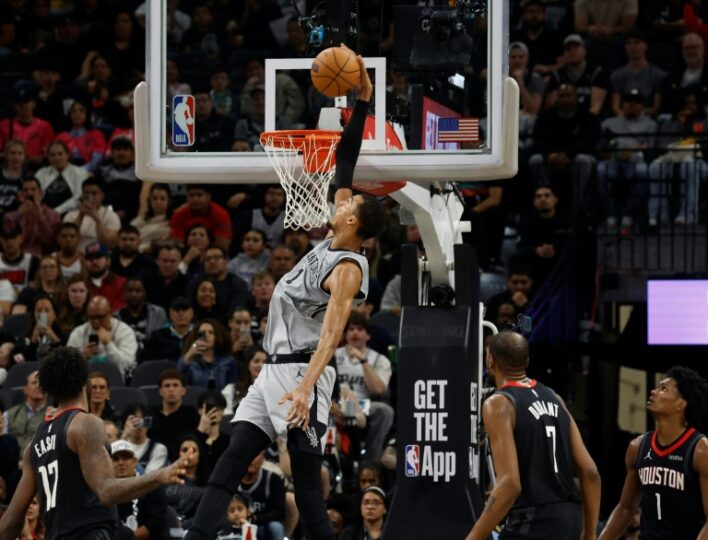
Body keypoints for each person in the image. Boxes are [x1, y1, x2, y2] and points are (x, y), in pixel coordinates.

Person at [185, 49, 386, 540]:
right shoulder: (335, 233)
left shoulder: (347, 269)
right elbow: (345, 158)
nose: (340, 198)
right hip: (272, 370)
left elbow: (332, 336)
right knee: (229, 463)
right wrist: (363, 99)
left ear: (353, 220)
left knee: (309, 486)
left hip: (301, 374)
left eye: (349, 202)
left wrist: (305, 389)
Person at [0, 347, 187, 540]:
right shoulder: (85, 424)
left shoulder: (34, 444)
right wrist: (158, 476)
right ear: (85, 382)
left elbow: (11, 521)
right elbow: (106, 491)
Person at [464, 331, 601, 540]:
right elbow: (590, 472)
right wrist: (590, 534)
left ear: (490, 361)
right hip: (570, 520)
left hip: (534, 520)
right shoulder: (555, 398)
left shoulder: (498, 404)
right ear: (527, 360)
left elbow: (510, 484)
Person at [599, 366, 708, 540]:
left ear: (680, 404)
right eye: (657, 387)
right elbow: (626, 508)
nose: (653, 392)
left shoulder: (700, 449)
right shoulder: (637, 446)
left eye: (663, 389)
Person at [334, 312, 394, 462]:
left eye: (360, 329)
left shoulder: (379, 359)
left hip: (362, 405)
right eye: (351, 329)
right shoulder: (333, 355)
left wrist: (363, 361)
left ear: (368, 335)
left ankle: (370, 463)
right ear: (345, 334)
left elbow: (378, 390)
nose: (355, 333)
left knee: (384, 411)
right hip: (335, 404)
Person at [66, 295, 138, 378]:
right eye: (92, 317)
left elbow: (127, 366)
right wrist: (82, 356)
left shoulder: (125, 331)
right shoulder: (79, 332)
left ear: (110, 313)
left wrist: (108, 344)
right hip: (86, 380)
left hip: (116, 380)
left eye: (100, 317)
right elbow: (67, 364)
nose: (96, 322)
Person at [111, 439, 169, 540]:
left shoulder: (151, 487)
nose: (120, 462)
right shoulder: (102, 493)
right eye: (115, 459)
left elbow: (156, 524)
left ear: (135, 461)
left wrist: (129, 538)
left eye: (125, 457)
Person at [149, 369, 201, 459]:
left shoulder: (192, 414)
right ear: (160, 391)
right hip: (153, 459)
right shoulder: (150, 413)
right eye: (167, 386)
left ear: (183, 391)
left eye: (175, 385)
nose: (171, 389)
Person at [4, 177, 61, 257]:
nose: (29, 193)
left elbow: (50, 243)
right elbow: (8, 240)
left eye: (33, 189)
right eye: (25, 190)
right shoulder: (10, 216)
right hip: (15, 257)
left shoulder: (53, 215)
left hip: (42, 258)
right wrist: (19, 215)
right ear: (20, 195)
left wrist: (40, 217)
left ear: (41, 193)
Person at [238, 452, 286, 540]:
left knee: (276, 527)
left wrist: (255, 519)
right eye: (248, 454)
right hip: (236, 524)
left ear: (263, 459)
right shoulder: (230, 478)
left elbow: (280, 513)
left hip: (264, 525)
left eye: (256, 454)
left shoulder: (273, 479)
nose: (251, 459)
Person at [178, 319, 237, 391]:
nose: (206, 335)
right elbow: (179, 379)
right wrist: (190, 353)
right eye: (202, 333)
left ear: (217, 336)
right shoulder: (190, 361)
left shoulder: (228, 361)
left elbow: (232, 386)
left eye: (211, 332)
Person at [63, 177, 121, 249]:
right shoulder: (70, 215)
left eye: (94, 193)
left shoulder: (112, 216)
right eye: (86, 193)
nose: (90, 196)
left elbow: (109, 244)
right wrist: (80, 216)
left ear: (102, 196)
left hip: (101, 253)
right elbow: (65, 240)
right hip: (76, 252)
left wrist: (97, 220)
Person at [4, 371, 47, 451]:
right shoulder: (9, 414)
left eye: (42, 384)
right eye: (34, 383)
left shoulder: (53, 415)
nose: (38, 386)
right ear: (25, 389)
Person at [120, 403, 169, 474]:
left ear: (149, 423)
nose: (138, 424)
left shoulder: (158, 449)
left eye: (143, 420)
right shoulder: (118, 444)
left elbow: (148, 477)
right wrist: (124, 435)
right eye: (133, 420)